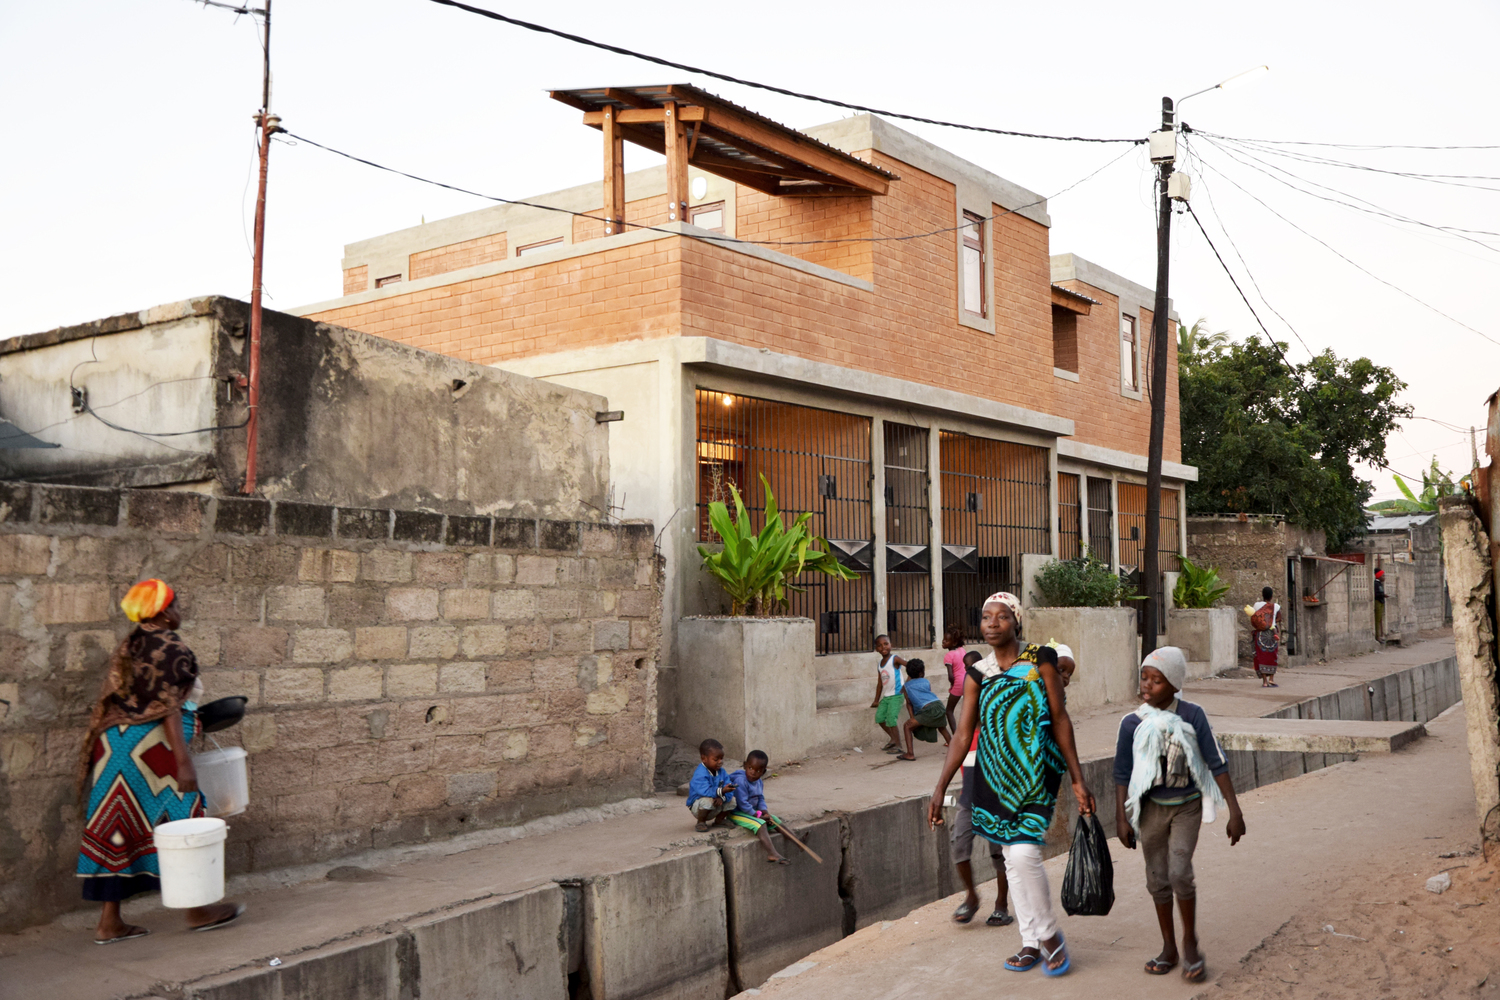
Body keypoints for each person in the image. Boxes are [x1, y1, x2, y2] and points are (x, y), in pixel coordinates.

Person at [927, 593, 1095, 977]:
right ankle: (1030, 941)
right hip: (993, 776)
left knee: (1021, 856)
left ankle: (1049, 936)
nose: (993, 623)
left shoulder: (1041, 660)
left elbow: (1060, 718)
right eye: (986, 617)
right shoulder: (978, 673)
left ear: (1016, 622)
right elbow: (962, 733)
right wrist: (939, 788)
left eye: (1002, 617)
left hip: (1037, 772)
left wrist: (1078, 779)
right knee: (1012, 861)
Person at [76, 579, 244, 944]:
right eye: (177, 605)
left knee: (117, 826)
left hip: (114, 744)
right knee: (185, 817)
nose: (180, 612)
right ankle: (198, 910)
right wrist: (184, 763)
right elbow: (169, 706)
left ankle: (110, 922)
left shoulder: (133, 642)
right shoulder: (171, 646)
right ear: (165, 612)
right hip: (153, 747)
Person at [1114, 647, 1246, 984]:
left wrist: (1234, 810)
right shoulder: (1132, 724)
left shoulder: (1192, 715)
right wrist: (1121, 818)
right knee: (1157, 878)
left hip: (1186, 806)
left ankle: (1189, 942)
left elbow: (1216, 762)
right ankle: (1169, 947)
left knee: (1179, 871)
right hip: (1149, 810)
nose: (1147, 685)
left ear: (1174, 685)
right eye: (1144, 677)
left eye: (1156, 681)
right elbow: (1121, 774)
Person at [726, 750, 789, 865]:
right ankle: (772, 853)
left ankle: (797, 841)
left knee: (774, 820)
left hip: (751, 811)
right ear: (745, 765)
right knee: (760, 824)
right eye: (750, 768)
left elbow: (760, 798)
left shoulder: (759, 782)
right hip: (737, 812)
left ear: (763, 772)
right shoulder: (741, 780)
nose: (753, 773)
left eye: (758, 771)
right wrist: (757, 815)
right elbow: (742, 803)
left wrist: (764, 811)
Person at [895, 659, 951, 761]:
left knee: (907, 726)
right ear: (922, 672)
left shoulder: (906, 686)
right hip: (939, 705)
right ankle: (954, 751)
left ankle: (910, 754)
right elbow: (927, 695)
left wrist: (912, 718)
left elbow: (909, 704)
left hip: (928, 709)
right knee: (942, 728)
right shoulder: (926, 681)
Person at [687, 738, 736, 832]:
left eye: (721, 758)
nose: (720, 762)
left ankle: (719, 820)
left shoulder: (722, 772)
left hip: (717, 804)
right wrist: (722, 791)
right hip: (699, 807)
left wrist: (722, 797)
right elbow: (705, 791)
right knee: (708, 801)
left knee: (732, 800)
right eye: (716, 759)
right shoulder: (700, 773)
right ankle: (701, 822)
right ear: (704, 758)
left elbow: (728, 786)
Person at [869, 634, 907, 753]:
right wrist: (876, 700)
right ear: (876, 649)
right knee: (880, 718)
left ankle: (899, 745)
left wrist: (906, 685)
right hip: (887, 696)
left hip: (897, 695)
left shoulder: (895, 659)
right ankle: (893, 739)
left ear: (891, 645)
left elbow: (911, 666)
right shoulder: (880, 664)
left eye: (886, 644)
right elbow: (880, 683)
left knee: (891, 719)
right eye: (879, 646)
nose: (883, 647)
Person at [1250, 586, 1282, 687]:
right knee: (1272, 656)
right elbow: (1279, 618)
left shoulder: (1256, 605)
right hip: (1272, 634)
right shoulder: (1275, 606)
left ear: (1262, 595)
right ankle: (1271, 679)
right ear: (1271, 596)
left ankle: (1264, 682)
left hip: (1260, 634)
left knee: (1262, 656)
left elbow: (1253, 617)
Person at [941, 623, 968, 732]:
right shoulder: (962, 650)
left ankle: (956, 736)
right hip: (967, 681)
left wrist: (953, 686)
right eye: (943, 639)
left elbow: (951, 676)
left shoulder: (949, 655)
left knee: (949, 711)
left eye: (946, 641)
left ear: (954, 642)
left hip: (958, 683)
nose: (943, 642)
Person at [1374, 569, 1387, 643]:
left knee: (1379, 620)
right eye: (1383, 575)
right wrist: (1383, 595)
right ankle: (1377, 636)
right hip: (1378, 602)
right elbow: (1376, 594)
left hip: (1381, 602)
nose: (1384, 577)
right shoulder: (1376, 584)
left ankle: (1380, 635)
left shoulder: (1379, 584)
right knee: (1377, 620)